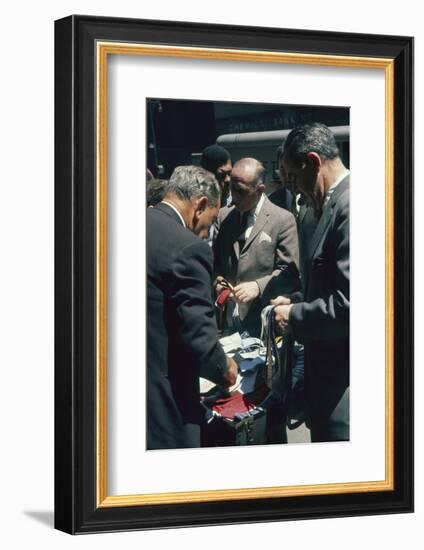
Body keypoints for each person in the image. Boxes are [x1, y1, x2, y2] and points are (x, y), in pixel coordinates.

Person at [147, 165, 238, 450]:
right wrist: (226, 370)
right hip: (166, 406)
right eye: (210, 223)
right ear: (199, 205)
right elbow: (199, 339)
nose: (206, 234)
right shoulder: (188, 248)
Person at [272, 122, 350, 442]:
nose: (292, 187)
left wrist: (295, 316)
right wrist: (295, 300)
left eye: (292, 176)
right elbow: (321, 283)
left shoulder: (352, 208)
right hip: (323, 384)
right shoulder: (315, 209)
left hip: (345, 386)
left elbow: (351, 306)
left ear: (314, 163)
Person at [213, 157, 300, 338]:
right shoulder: (224, 216)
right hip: (228, 323)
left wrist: (258, 287)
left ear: (260, 190)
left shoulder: (283, 220)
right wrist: (219, 285)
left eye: (241, 191)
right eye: (231, 189)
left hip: (264, 325)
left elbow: (290, 272)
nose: (234, 196)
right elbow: (215, 264)